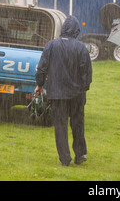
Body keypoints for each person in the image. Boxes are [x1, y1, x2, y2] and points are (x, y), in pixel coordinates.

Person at [35, 15, 92, 167]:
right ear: (76, 31)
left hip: (57, 94)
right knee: (77, 124)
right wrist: (84, 89)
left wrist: (39, 84)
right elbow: (87, 73)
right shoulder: (81, 48)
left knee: (60, 126)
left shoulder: (51, 45)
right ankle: (80, 154)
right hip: (77, 94)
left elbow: (42, 68)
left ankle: (64, 158)